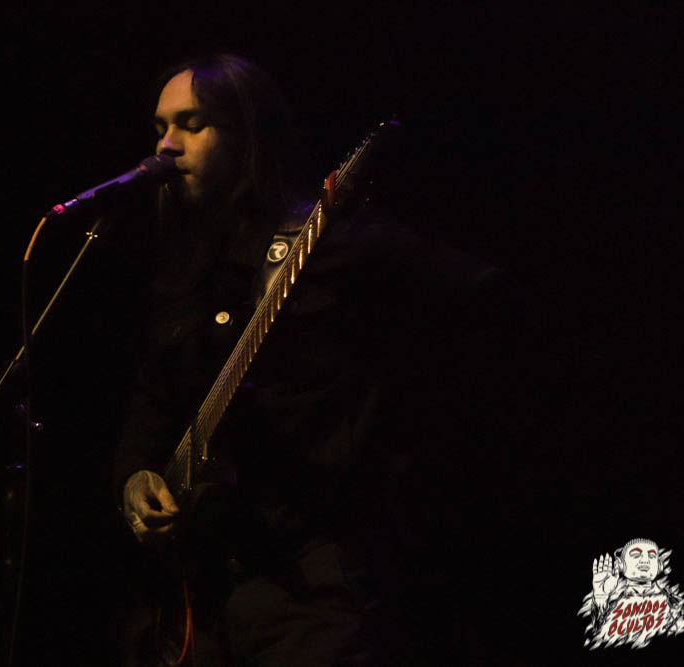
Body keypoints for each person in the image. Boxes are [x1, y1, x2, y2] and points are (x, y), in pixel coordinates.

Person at [110, 54, 527, 665]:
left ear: (247, 138)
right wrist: (135, 476)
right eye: (160, 127)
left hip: (316, 590)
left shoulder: (336, 243)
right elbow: (152, 402)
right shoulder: (181, 268)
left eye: (193, 124)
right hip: (205, 596)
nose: (167, 145)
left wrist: (402, 448)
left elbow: (486, 304)